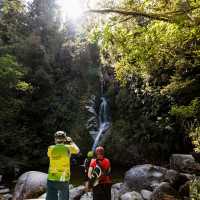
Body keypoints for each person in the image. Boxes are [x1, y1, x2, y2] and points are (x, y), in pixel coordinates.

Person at [46, 131, 80, 200]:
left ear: (55, 139)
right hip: (64, 178)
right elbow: (77, 150)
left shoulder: (50, 148)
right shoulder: (68, 148)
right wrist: (71, 142)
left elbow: (49, 155)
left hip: (52, 178)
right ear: (64, 139)